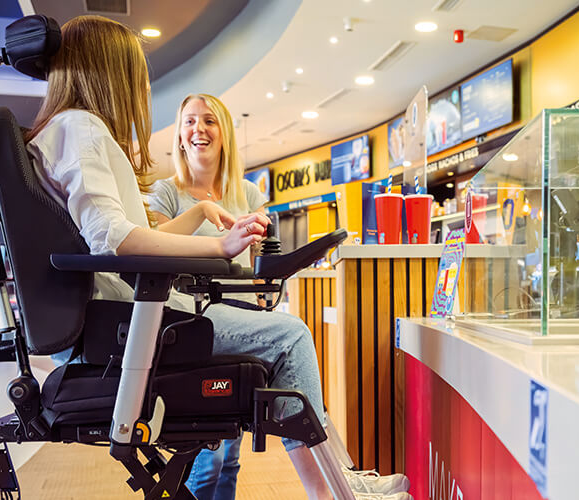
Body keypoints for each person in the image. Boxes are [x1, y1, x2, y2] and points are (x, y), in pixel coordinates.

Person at [22, 16, 409, 500]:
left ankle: (336, 486)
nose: (142, 87)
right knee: (291, 336)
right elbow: (113, 237)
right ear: (110, 70)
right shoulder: (83, 130)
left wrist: (208, 218)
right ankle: (336, 489)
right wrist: (217, 245)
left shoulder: (70, 130)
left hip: (124, 313)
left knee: (283, 346)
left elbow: (124, 235)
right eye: (136, 74)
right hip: (128, 320)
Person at [147, 93, 411, 499]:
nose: (198, 129)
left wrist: (267, 276)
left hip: (239, 317)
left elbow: (256, 272)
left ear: (225, 134)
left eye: (209, 121)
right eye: (189, 122)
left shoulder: (249, 194)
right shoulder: (166, 193)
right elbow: (152, 247)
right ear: (179, 137)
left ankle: (337, 475)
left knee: (231, 454)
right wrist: (201, 212)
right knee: (211, 459)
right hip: (190, 316)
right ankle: (331, 485)